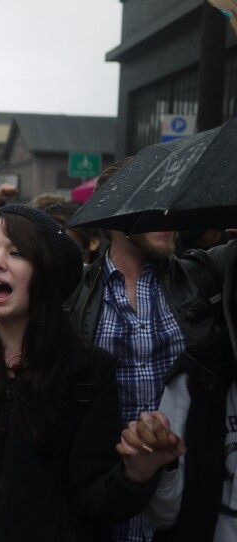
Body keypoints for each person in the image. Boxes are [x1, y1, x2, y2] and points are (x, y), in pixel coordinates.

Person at [0, 205, 183, 540]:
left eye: (16, 252)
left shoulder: (89, 370)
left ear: (47, 273)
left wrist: (136, 475)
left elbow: (95, 504)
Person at [66, 161, 232, 542]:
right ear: (112, 215)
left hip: (189, 507)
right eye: (150, 203)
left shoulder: (203, 275)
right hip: (102, 509)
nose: (165, 214)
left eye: (169, 202)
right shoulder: (73, 295)